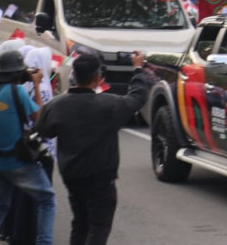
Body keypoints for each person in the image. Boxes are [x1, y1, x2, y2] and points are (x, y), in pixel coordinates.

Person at [36, 50, 155, 245]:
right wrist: (138, 69)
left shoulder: (57, 105)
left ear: (74, 76)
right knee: (98, 227)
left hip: (72, 175)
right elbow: (138, 97)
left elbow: (43, 130)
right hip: (100, 178)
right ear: (98, 78)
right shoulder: (108, 105)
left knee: (80, 223)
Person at [0, 51, 55, 245]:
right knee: (47, 199)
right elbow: (39, 118)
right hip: (17, 160)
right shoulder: (16, 92)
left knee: (1, 205)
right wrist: (36, 84)